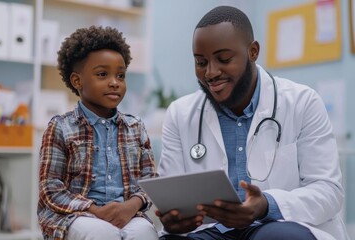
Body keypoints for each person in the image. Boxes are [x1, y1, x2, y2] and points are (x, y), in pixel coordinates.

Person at [156, 6, 349, 240]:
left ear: (253, 52)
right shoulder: (180, 114)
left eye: (224, 59)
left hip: (276, 224)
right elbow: (173, 197)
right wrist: (175, 222)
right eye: (200, 62)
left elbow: (328, 192)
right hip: (211, 231)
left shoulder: (302, 102)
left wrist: (266, 204)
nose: (210, 72)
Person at [37, 26, 158, 240]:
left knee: (145, 233)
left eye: (120, 75)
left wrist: (131, 206)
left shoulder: (136, 127)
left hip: (127, 213)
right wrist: (94, 210)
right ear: (77, 81)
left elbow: (150, 180)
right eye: (103, 74)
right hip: (74, 216)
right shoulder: (60, 127)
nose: (114, 82)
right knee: (101, 233)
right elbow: (51, 189)